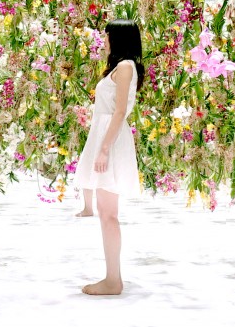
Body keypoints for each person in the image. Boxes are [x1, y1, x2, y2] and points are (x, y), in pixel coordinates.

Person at [72, 19, 144, 296]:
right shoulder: (119, 67)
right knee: (106, 213)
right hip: (105, 133)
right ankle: (112, 277)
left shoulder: (125, 67)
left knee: (109, 214)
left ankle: (113, 279)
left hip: (110, 137)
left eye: (108, 36)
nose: (104, 41)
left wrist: (104, 148)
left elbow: (119, 111)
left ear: (119, 39)